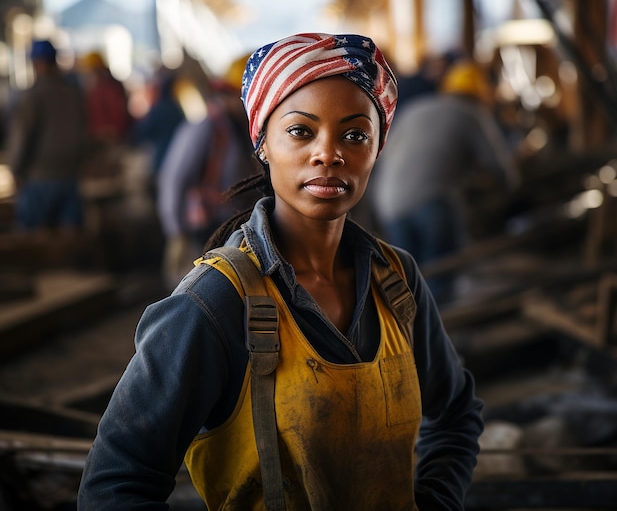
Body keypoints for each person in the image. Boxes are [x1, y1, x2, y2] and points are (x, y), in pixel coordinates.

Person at [77, 33, 483, 510]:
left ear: (377, 147)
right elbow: (114, 485)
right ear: (263, 143)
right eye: (300, 131)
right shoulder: (215, 302)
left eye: (355, 135)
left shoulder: (395, 279)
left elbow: (455, 413)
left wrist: (435, 501)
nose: (328, 153)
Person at [370, 59, 520, 304]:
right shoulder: (472, 114)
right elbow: (503, 171)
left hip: (388, 206)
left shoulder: (415, 109)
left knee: (412, 283)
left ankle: (413, 337)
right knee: (441, 285)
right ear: (480, 94)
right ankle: (441, 333)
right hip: (431, 205)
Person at [157, 73, 259, 289]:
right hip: (207, 225)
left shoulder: (240, 129)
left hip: (235, 220)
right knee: (203, 286)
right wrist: (176, 231)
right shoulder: (205, 128)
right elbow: (174, 179)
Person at [7, 39, 88, 231]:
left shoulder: (32, 95)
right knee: (71, 242)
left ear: (36, 63)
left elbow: (21, 137)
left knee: (35, 243)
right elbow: (84, 132)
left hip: (39, 179)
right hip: (70, 176)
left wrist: (16, 170)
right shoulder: (74, 93)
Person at [80, 51, 133, 146]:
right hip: (102, 137)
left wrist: (111, 132)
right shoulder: (95, 85)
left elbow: (118, 112)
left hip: (111, 137)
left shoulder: (108, 85)